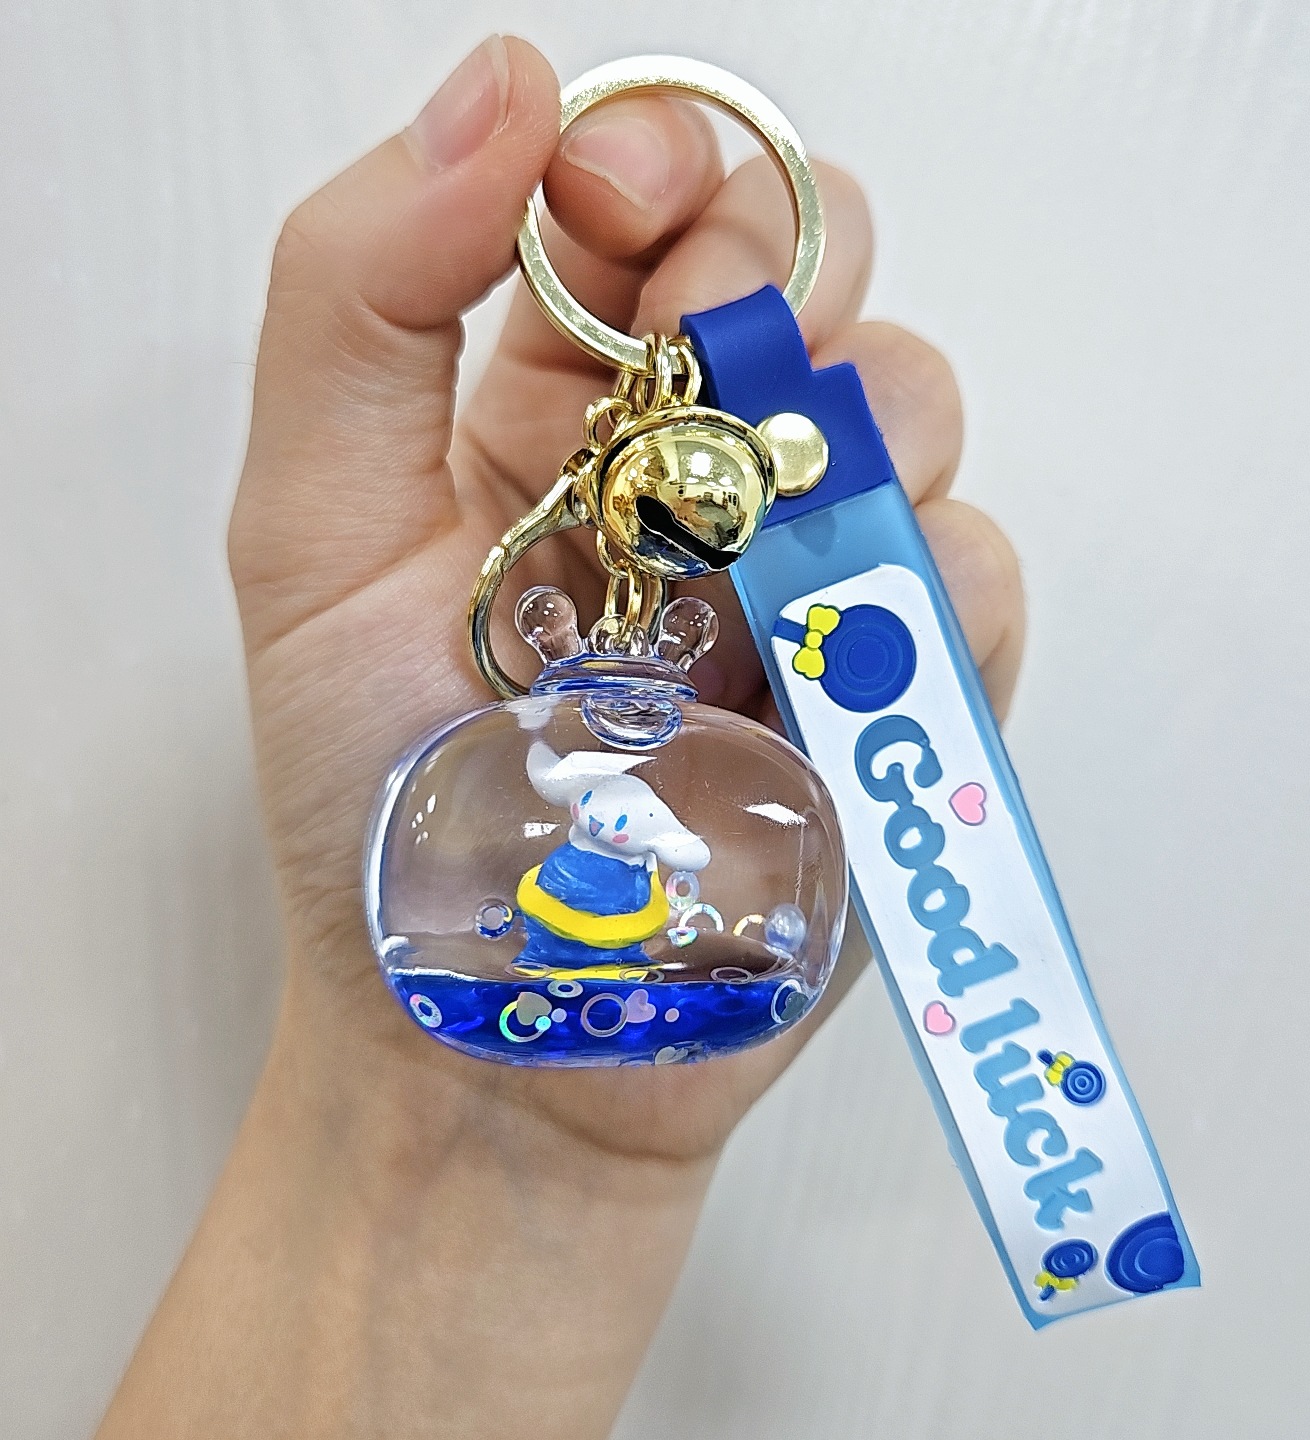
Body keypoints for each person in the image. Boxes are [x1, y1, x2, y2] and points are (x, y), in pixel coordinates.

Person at [96, 35, 1024, 1439]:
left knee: (937, 582)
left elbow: (662, 849)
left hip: (600, 938)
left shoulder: (632, 782)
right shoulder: (547, 762)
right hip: (547, 925)